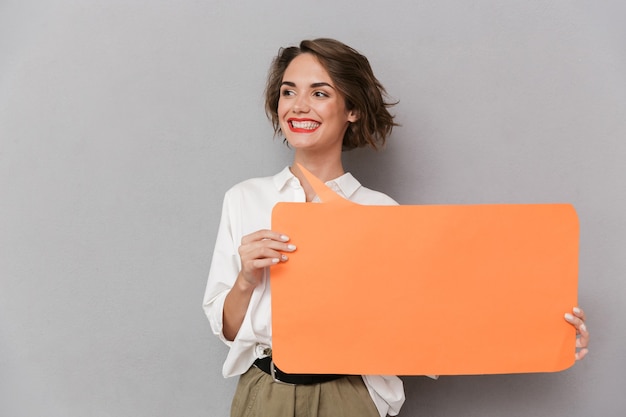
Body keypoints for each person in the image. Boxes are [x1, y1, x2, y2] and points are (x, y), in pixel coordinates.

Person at [203, 38, 589, 417]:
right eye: (289, 92)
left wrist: (546, 331)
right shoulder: (245, 199)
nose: (299, 105)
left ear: (351, 109)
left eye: (320, 93)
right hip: (265, 392)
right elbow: (229, 332)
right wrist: (246, 279)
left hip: (350, 395)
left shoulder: (381, 211)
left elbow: (432, 324)